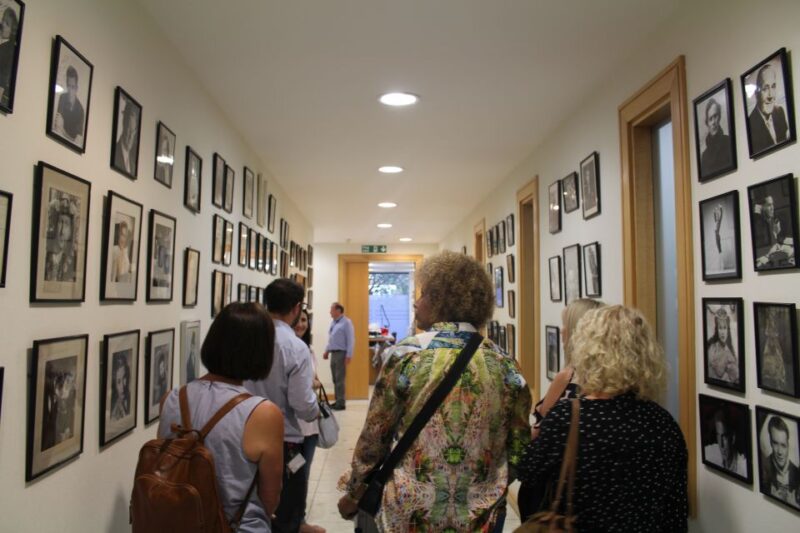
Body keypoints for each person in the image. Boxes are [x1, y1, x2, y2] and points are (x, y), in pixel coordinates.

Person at [337, 251, 532, 532]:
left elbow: (374, 439)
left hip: (409, 510)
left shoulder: (407, 354)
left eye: (424, 293)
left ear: (443, 299)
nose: (416, 302)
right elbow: (519, 449)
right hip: (482, 515)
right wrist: (488, 483)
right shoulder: (505, 364)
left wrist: (355, 493)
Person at [518, 305, 688, 531]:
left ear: (588, 353)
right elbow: (675, 509)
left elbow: (528, 472)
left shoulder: (568, 418)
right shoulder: (663, 423)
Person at [158, 302, 284, 531]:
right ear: (261, 351)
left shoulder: (173, 398)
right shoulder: (263, 413)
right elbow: (270, 497)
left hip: (176, 523)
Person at [245, 279, 320, 533]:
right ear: (297, 307)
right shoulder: (295, 347)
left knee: (251, 510)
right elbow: (302, 404)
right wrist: (315, 409)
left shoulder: (249, 338)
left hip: (243, 435)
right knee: (285, 514)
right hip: (283, 442)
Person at [532, 299, 604, 440]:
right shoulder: (614, 379)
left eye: (565, 324)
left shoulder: (567, 377)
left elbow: (540, 431)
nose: (561, 330)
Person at [293, 308, 326, 533]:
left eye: (304, 320)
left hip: (310, 425)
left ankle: (299, 519)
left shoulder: (309, 349)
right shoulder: (286, 351)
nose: (301, 324)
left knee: (303, 474)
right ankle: (291, 519)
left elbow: (313, 379)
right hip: (292, 426)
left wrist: (313, 382)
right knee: (293, 473)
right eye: (297, 320)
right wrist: (310, 383)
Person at [748, 64, 790, 154]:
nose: (770, 95)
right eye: (765, 88)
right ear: (756, 94)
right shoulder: (751, 123)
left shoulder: (780, 112)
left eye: (773, 86)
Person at [760, 415, 800, 508]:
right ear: (770, 442)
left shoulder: (797, 472)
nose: (779, 452)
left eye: (783, 445)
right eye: (775, 443)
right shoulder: (764, 467)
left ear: (788, 445)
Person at [322, 302, 354, 410]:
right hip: (333, 353)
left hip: (341, 353)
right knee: (335, 379)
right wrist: (327, 351)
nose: (330, 312)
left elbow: (350, 340)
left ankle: (341, 403)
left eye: (331, 309)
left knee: (340, 379)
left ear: (338, 311)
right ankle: (337, 401)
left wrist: (349, 355)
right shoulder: (334, 323)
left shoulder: (346, 323)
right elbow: (331, 339)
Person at [752, 195, 794, 268]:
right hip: (764, 258)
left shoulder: (773, 221)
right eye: (769, 205)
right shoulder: (758, 224)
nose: (772, 208)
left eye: (772, 204)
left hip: (773, 254)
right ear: (761, 207)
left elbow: (779, 239)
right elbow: (764, 248)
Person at [704, 408, 747, 477]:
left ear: (733, 438)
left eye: (724, 437)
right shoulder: (710, 452)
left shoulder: (743, 467)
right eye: (718, 435)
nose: (721, 445)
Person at [44, 195, 77, 282]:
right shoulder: (46, 254)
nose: (62, 230)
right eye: (60, 223)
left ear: (71, 231)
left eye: (66, 224)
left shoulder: (71, 261)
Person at [700, 97, 733, 176]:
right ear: (707, 123)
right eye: (710, 119)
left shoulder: (728, 142)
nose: (713, 122)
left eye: (715, 116)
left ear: (719, 117)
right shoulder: (704, 156)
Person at [706, 308, 739, 384]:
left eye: (725, 328)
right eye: (720, 328)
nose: (722, 332)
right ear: (717, 329)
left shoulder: (729, 352)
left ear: (728, 330)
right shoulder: (712, 348)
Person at [54, 65, 85, 142]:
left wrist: (63, 132)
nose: (70, 90)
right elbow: (57, 128)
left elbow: (77, 141)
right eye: (68, 86)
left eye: (73, 87)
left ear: (76, 88)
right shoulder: (62, 98)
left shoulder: (80, 110)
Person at [0, 6, 19, 107]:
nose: (2, 24)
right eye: (3, 20)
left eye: (7, 24)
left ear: (12, 30)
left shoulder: (9, 49)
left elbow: (3, 77)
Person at [114, 99, 139, 175]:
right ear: (123, 124)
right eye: (129, 130)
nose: (131, 137)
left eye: (133, 132)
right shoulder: (115, 152)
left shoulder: (133, 165)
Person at [110, 351, 131, 420]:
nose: (122, 386)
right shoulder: (113, 407)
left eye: (124, 379)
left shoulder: (131, 403)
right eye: (118, 382)